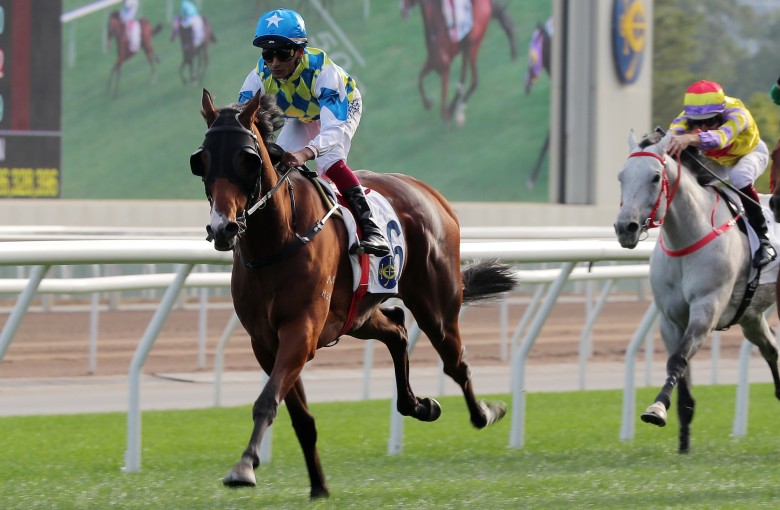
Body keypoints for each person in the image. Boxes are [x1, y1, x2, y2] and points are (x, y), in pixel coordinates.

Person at [238, 8, 390, 257]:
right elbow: (243, 118)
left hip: (343, 107)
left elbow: (333, 129)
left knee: (329, 161)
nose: (274, 63)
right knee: (279, 168)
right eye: (268, 54)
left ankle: (371, 227)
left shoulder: (323, 71)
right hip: (302, 116)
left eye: (283, 53)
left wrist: (306, 152)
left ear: (299, 51)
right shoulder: (258, 75)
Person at [665, 80, 776, 268]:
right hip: (720, 161)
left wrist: (691, 137)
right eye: (697, 123)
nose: (704, 127)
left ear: (721, 112)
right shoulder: (687, 116)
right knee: (694, 179)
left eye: (709, 121)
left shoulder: (738, 114)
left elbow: (720, 139)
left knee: (739, 177)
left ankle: (763, 239)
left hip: (749, 154)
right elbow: (670, 135)